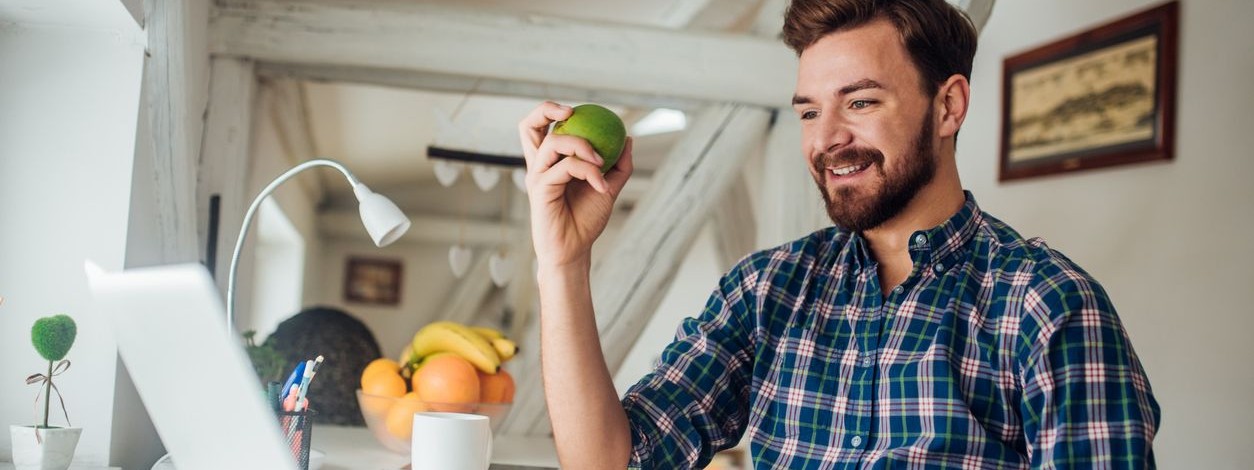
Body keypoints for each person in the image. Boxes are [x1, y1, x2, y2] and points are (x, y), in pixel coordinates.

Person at [516, 0, 1161, 468]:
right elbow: (614, 461)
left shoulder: (1050, 307)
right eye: (809, 111)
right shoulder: (767, 289)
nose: (826, 140)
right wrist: (563, 263)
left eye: (860, 102)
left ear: (949, 106)